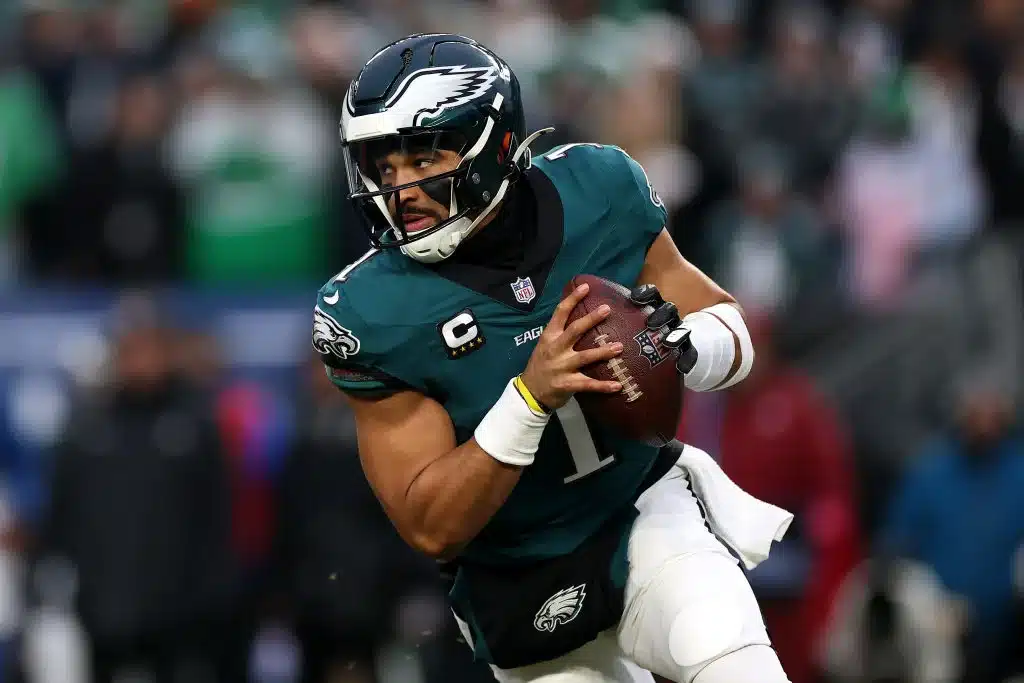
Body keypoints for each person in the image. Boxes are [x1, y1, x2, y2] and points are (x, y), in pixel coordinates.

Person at [312, 33, 792, 683]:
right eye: (382, 166)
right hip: (517, 578)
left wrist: (682, 345)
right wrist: (530, 396)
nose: (399, 188)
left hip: (640, 508)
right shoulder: (369, 310)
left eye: (422, 159)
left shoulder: (598, 187)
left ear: (495, 142)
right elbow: (431, 524)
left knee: (733, 658)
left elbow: (729, 329)